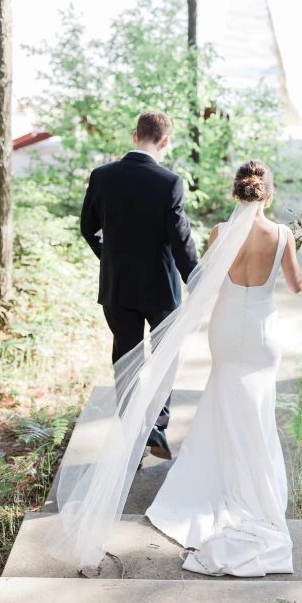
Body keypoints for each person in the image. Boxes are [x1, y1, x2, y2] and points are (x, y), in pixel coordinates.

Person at [145, 160, 302, 576]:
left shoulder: (220, 233)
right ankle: (254, 486)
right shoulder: (282, 235)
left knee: (223, 394)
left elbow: (204, 280)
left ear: (237, 193)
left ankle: (219, 479)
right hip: (261, 332)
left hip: (226, 328)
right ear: (268, 193)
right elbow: (298, 286)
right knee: (258, 405)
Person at [80, 109, 198, 459]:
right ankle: (157, 426)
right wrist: (197, 279)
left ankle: (132, 433)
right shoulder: (169, 182)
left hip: (118, 286)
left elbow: (88, 228)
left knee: (126, 357)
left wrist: (110, 258)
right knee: (164, 356)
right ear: (165, 141)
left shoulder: (102, 176)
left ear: (135, 136)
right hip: (160, 288)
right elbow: (180, 240)